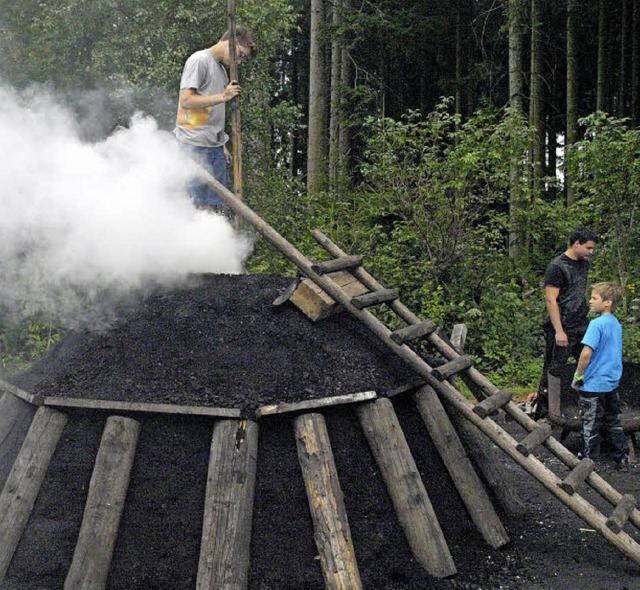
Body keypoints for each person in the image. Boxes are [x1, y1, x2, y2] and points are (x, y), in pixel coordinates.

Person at [174, 26, 256, 211]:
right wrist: (223, 96)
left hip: (213, 147)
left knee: (212, 207)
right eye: (241, 55)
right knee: (193, 206)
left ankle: (210, 240)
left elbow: (213, 111)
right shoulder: (199, 61)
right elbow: (186, 100)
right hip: (193, 145)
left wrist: (221, 142)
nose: (240, 61)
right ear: (232, 43)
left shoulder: (221, 71)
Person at [534, 226, 598, 419]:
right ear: (576, 244)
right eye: (588, 248)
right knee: (554, 369)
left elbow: (579, 291)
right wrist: (558, 330)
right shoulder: (557, 266)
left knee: (590, 362)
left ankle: (586, 405)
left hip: (581, 324)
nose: (590, 252)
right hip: (561, 325)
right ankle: (544, 413)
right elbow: (550, 299)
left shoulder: (584, 264)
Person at [572, 282, 629, 470]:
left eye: (594, 298)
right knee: (613, 421)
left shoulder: (596, 325)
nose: (590, 301)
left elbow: (586, 353)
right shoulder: (616, 324)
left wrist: (578, 377)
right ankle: (622, 458)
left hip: (593, 384)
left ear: (607, 302)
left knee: (590, 423)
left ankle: (589, 461)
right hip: (611, 382)